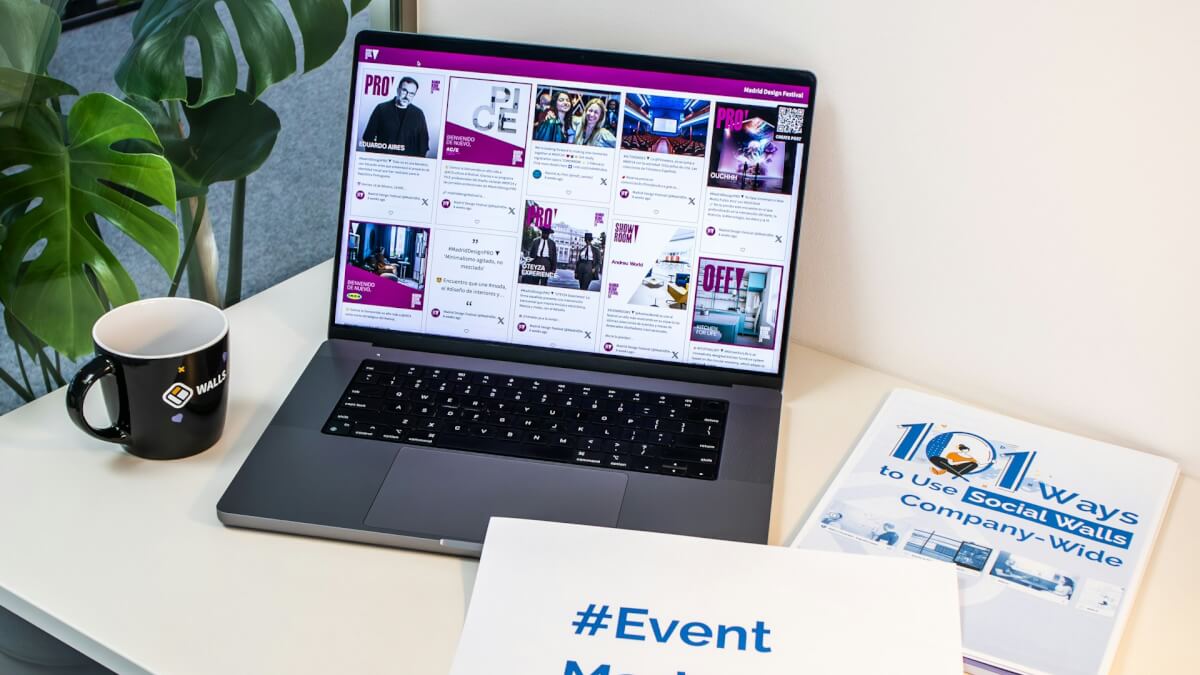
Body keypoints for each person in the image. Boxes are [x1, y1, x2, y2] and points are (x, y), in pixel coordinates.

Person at [362, 76, 430, 157]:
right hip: (383, 164)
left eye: (411, 93)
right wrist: (377, 159)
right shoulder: (381, 109)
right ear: (398, 90)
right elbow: (368, 137)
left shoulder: (418, 114)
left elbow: (424, 144)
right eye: (404, 91)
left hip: (408, 165)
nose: (407, 96)